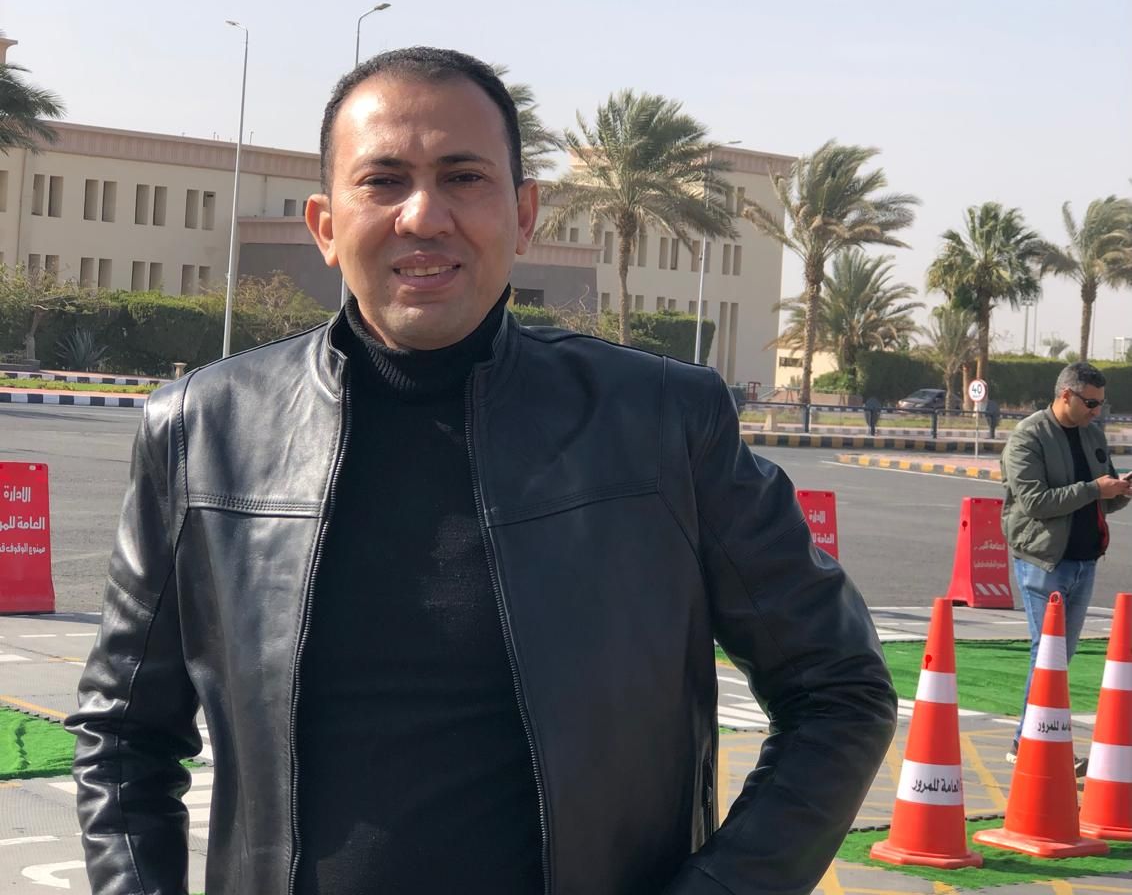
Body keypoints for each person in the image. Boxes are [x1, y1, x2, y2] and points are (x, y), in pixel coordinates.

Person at [68, 47, 896, 895]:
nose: (424, 216)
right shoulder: (203, 430)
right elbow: (121, 735)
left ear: (524, 214)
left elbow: (839, 687)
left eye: (463, 178)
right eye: (383, 181)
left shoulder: (661, 423)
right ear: (325, 226)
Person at [1000, 361, 1131, 771]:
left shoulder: (1092, 434)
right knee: (1048, 653)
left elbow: (1104, 497)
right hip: (1044, 560)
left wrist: (1122, 490)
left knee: (1061, 654)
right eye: (1090, 403)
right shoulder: (1028, 437)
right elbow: (1035, 502)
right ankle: (1030, 744)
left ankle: (1031, 740)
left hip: (1084, 559)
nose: (1097, 411)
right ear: (1066, 395)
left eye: (1101, 404)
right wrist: (1094, 489)